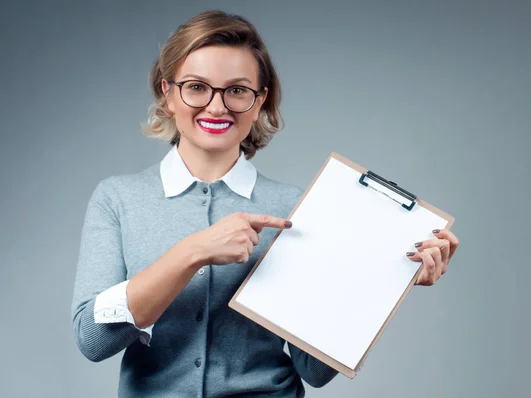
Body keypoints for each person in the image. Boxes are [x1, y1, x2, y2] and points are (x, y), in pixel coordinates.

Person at [71, 9, 460, 398]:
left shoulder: (296, 209)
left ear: (260, 102)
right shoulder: (117, 199)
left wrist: (388, 282)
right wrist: (191, 252)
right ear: (167, 94)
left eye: (237, 90)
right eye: (196, 87)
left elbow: (316, 371)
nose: (217, 107)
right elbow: (93, 341)